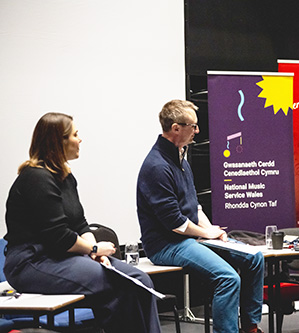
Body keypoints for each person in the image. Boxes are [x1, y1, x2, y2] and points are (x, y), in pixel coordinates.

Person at [4, 112, 161, 333]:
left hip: (62, 257)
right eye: (75, 134)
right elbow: (59, 237)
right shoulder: (35, 178)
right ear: (59, 141)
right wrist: (94, 248)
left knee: (140, 280)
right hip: (32, 263)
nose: (80, 139)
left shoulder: (66, 178)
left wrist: (94, 253)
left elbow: (80, 225)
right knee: (122, 285)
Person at [137, 99, 265, 333]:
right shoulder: (157, 166)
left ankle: (250, 327)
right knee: (227, 279)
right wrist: (206, 233)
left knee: (254, 257)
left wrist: (212, 232)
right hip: (166, 244)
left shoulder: (180, 160)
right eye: (192, 126)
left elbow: (194, 208)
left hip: (189, 237)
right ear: (176, 128)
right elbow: (175, 223)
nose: (197, 131)